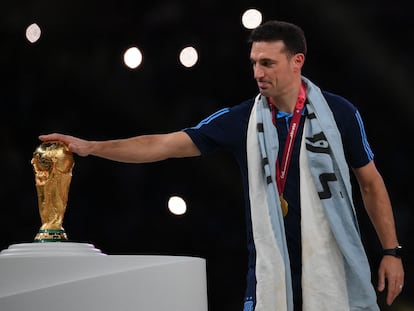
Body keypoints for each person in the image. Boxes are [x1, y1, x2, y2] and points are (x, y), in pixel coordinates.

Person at [39, 20, 404, 311]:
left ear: (297, 61)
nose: (258, 72)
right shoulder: (241, 119)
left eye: (267, 63)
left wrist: (391, 252)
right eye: (254, 63)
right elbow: (164, 144)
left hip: (332, 269)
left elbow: (370, 183)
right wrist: (92, 147)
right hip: (268, 273)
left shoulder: (340, 114)